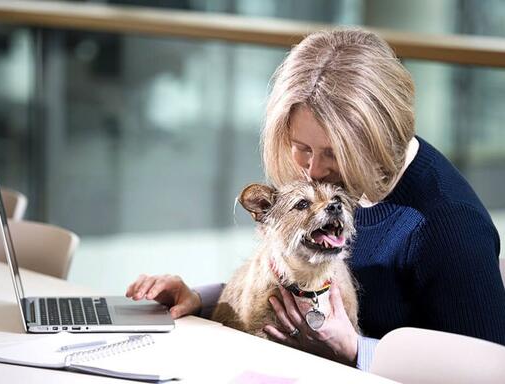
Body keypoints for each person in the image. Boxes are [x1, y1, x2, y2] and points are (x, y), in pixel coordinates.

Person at [125, 28, 505, 370]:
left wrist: (358, 351)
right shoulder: (343, 187)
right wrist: (200, 299)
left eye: (333, 152)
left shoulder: (449, 226)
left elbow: (489, 370)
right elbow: (299, 283)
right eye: (300, 147)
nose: (313, 170)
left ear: (376, 139)